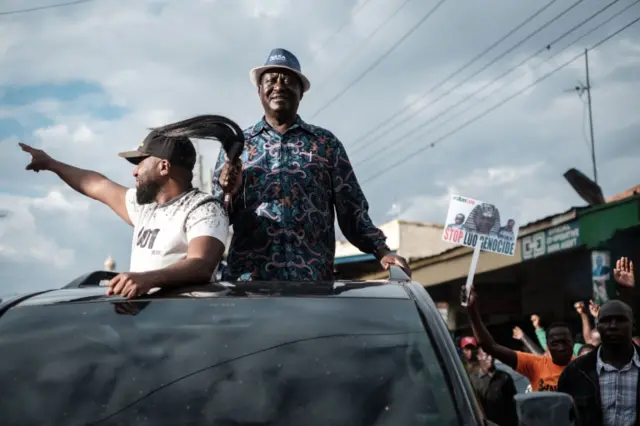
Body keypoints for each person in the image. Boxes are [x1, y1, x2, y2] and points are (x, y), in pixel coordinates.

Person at [212, 47, 410, 281]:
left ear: (301, 92)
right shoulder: (238, 147)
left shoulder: (325, 144)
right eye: (271, 80)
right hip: (250, 283)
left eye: (287, 80)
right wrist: (227, 194)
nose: (279, 86)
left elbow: (352, 208)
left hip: (311, 282)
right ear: (259, 90)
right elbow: (215, 219)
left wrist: (382, 251)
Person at [18, 130, 228, 298]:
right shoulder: (145, 208)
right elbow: (98, 184)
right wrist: (51, 164)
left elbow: (201, 264)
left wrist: (147, 279)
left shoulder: (204, 208)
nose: (134, 172)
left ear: (164, 167)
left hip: (184, 327)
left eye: (141, 163)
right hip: (144, 322)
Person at [465, 287, 574, 392]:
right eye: (555, 343)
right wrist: (472, 310)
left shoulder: (580, 367)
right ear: (547, 346)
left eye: (565, 341)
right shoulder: (535, 365)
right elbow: (490, 347)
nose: (560, 347)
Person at [557, 300, 639, 426]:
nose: (613, 326)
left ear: (633, 325)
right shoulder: (576, 371)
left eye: (620, 320)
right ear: (598, 326)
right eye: (606, 321)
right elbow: (563, 418)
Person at [469, 348, 518, 426]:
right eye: (486, 355)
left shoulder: (504, 378)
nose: (490, 358)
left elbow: (512, 407)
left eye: (492, 355)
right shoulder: (473, 380)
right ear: (479, 357)